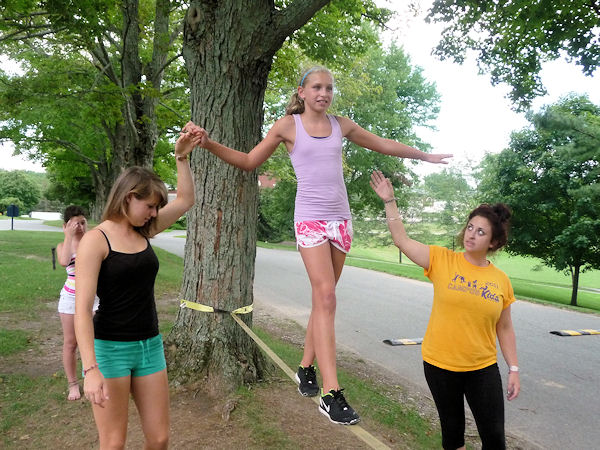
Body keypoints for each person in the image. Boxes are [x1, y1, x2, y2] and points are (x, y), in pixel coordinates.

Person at [191, 66, 452, 425]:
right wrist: (208, 143)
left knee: (322, 301)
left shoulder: (340, 125)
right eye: (316, 87)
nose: (323, 93)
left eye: (329, 88)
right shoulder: (287, 126)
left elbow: (382, 143)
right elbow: (249, 162)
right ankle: (331, 394)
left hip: (341, 221)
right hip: (310, 221)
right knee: (327, 297)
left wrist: (424, 156)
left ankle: (305, 367)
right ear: (301, 92)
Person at [370, 170, 520, 449]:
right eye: (470, 227)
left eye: (481, 232)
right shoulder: (442, 260)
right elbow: (402, 240)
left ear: (494, 242)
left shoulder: (501, 280)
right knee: (453, 437)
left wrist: (514, 368)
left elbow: (505, 327)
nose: (471, 234)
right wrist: (389, 201)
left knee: (495, 439)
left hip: (482, 368)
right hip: (440, 365)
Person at [74, 122, 201, 449]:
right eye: (150, 206)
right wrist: (90, 369)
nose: (155, 213)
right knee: (113, 443)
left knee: (159, 439)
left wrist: (181, 158)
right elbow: (82, 311)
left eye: (157, 207)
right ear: (129, 198)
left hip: (149, 346)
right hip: (110, 350)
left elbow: (186, 199)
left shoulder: (144, 229)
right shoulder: (95, 241)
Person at [56, 205, 100, 401]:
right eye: (75, 224)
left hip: (94, 299)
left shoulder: (93, 242)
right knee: (71, 342)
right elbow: (64, 261)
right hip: (70, 298)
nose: (80, 227)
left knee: (95, 340)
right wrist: (68, 236)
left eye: (83, 223)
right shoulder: (63, 246)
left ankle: (92, 376)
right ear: (66, 226)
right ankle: (73, 384)